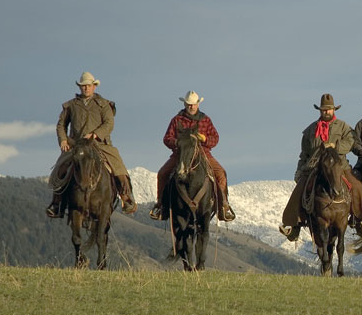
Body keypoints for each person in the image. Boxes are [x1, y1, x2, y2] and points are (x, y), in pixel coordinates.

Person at [279, 93, 362, 241]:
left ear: (334, 110)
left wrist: (335, 146)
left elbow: (350, 143)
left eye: (329, 109)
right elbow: (304, 154)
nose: (326, 112)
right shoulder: (310, 130)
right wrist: (299, 170)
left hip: (339, 167)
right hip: (314, 167)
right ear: (320, 110)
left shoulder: (344, 127)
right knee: (300, 189)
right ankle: (293, 225)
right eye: (324, 109)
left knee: (357, 186)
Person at [46, 71, 137, 217]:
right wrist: (63, 139)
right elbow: (61, 125)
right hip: (76, 145)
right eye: (83, 86)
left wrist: (95, 134)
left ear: (94, 86)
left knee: (118, 167)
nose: (85, 88)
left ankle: (126, 198)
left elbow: (109, 123)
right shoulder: (71, 105)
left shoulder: (104, 104)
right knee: (60, 168)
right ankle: (56, 204)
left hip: (99, 144)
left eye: (88, 86)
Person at [149, 91, 235, 222]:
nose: (191, 107)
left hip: (203, 154)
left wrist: (205, 139)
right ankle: (161, 205)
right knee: (163, 173)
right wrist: (177, 142)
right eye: (189, 104)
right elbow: (167, 138)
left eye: (193, 104)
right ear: (184, 104)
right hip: (181, 154)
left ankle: (223, 206)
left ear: (198, 104)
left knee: (221, 173)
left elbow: (215, 138)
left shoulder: (205, 120)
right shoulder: (177, 120)